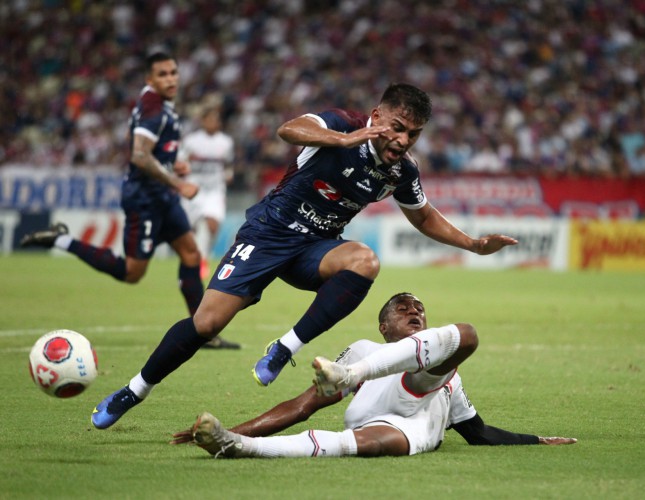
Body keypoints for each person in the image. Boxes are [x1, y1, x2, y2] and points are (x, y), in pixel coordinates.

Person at [90, 82, 518, 430]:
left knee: (365, 260)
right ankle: (133, 391)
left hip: (315, 249)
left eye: (414, 134)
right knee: (206, 323)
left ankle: (283, 347)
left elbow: (423, 217)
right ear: (377, 115)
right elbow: (289, 129)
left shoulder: (400, 170)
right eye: (398, 127)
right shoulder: (342, 125)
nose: (403, 141)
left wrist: (474, 244)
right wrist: (344, 138)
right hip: (268, 233)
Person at [171, 292, 576, 458]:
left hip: (410, 425)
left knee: (463, 338)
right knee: (458, 341)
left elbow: (477, 433)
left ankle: (237, 448)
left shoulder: (445, 370)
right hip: (370, 409)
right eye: (403, 309)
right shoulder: (365, 346)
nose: (415, 312)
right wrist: (244, 425)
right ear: (384, 327)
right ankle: (235, 439)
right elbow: (301, 406)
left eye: (419, 310)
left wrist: (536, 439)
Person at [20, 52, 238, 350]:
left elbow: (145, 147)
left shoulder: (155, 104)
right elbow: (138, 154)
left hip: (161, 195)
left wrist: (171, 164)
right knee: (132, 272)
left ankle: (203, 333)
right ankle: (63, 240)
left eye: (173, 72)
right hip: (145, 200)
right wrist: (178, 182)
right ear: (150, 79)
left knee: (190, 254)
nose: (171, 79)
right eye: (162, 74)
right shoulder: (154, 109)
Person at [178, 106, 235, 281]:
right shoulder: (191, 141)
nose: (214, 123)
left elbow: (228, 165)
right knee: (193, 229)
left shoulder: (225, 142)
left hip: (215, 190)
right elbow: (180, 162)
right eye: (210, 119)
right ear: (203, 121)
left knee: (212, 225)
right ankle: (195, 258)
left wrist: (228, 175)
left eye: (216, 119)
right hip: (195, 189)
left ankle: (203, 259)